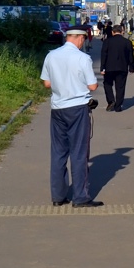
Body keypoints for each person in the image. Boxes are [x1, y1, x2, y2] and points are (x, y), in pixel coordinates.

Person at [39, 27, 104, 208]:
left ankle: (58, 196)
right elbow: (92, 86)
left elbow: (47, 83)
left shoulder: (51, 55)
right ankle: (80, 197)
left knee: (58, 152)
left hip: (57, 108)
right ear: (80, 39)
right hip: (77, 109)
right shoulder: (83, 58)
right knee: (79, 153)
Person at [99, 23, 134, 111]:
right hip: (122, 68)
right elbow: (131, 55)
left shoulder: (107, 41)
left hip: (109, 67)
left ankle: (111, 100)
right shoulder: (127, 42)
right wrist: (131, 67)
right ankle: (118, 106)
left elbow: (104, 55)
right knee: (120, 87)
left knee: (107, 84)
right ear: (122, 32)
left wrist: (102, 68)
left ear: (112, 32)